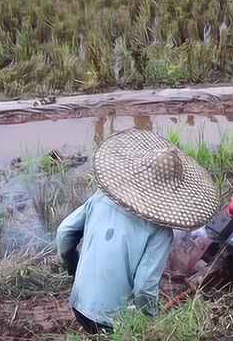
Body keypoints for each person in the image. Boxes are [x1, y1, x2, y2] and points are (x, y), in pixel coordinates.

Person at [56, 128, 219, 333]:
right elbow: (144, 287)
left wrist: (73, 264)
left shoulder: (101, 197)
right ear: (174, 192)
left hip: (78, 304)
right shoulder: (160, 231)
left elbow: (64, 233)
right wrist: (150, 321)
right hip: (113, 322)